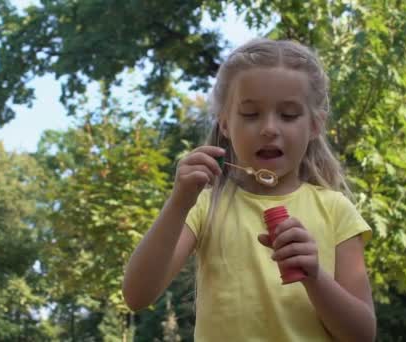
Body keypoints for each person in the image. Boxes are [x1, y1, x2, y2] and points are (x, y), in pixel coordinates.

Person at [122, 38, 377, 341]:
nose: (269, 128)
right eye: (251, 114)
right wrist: (179, 201)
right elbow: (136, 296)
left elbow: (362, 334)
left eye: (289, 115)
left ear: (315, 125)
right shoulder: (204, 205)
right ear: (226, 124)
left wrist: (315, 277)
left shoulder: (336, 209)